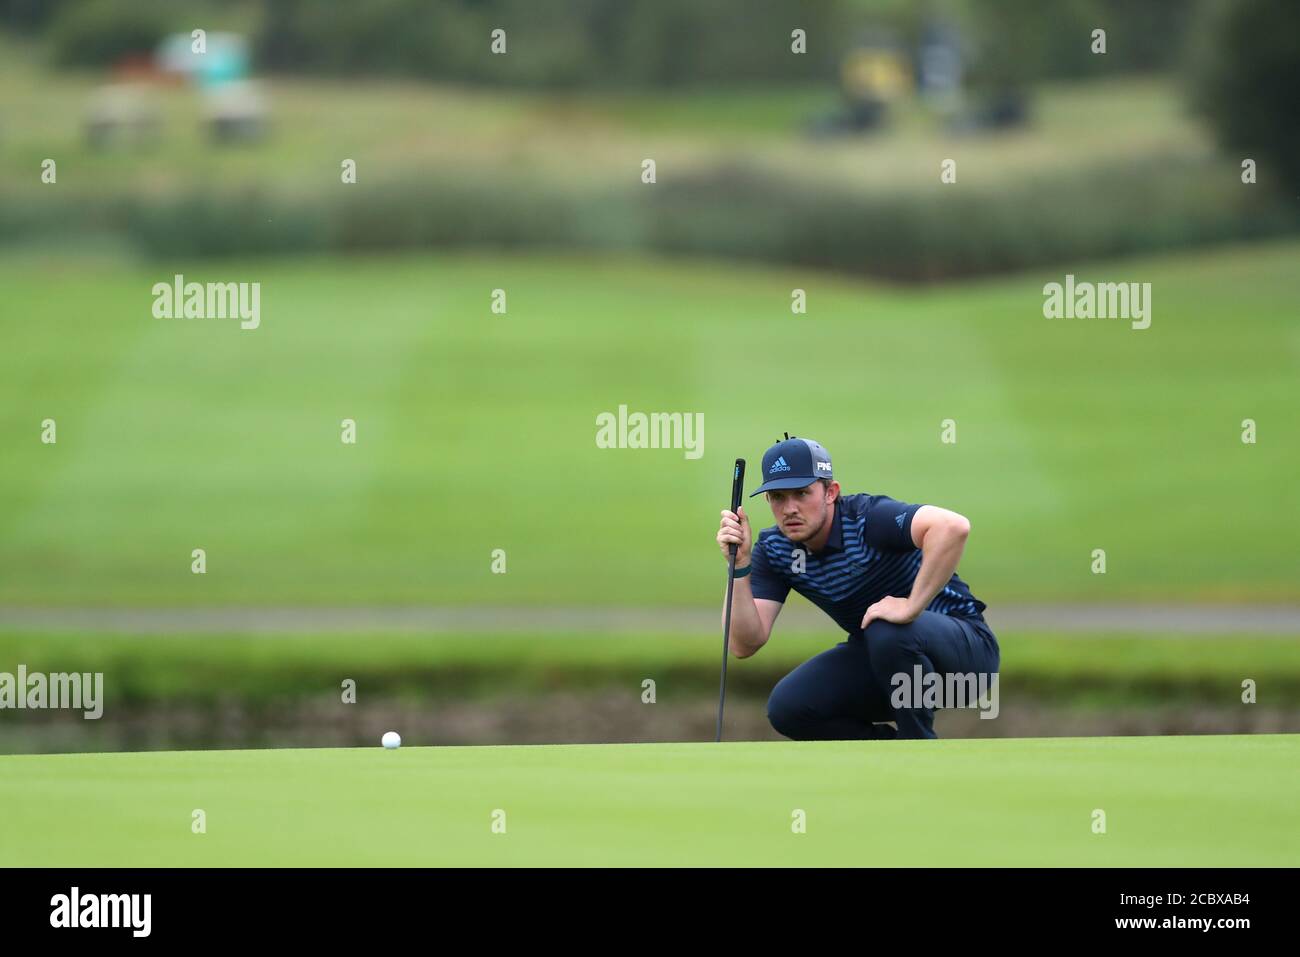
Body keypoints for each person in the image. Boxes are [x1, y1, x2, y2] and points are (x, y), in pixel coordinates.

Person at [715, 435, 999, 740]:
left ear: (830, 492)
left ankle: (920, 746)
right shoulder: (776, 549)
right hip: (890, 665)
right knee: (789, 707)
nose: (790, 509)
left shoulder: (868, 518)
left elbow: (952, 527)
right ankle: (887, 754)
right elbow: (743, 644)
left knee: (885, 628)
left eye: (801, 493)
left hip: (966, 661)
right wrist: (739, 565)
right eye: (778, 497)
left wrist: (911, 606)